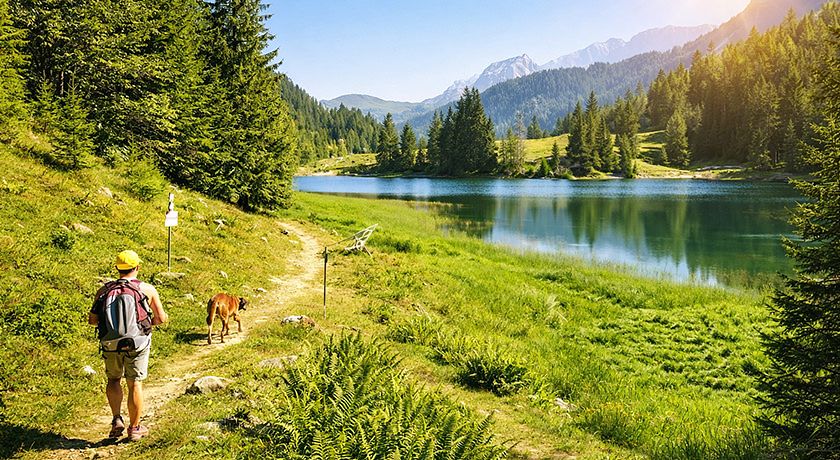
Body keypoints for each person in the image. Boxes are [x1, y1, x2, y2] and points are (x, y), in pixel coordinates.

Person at [89, 250, 168, 442]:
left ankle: (116, 418)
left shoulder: (104, 290)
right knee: (135, 383)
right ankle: (134, 428)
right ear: (137, 267)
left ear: (117, 268)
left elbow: (92, 320)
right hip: (137, 343)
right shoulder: (147, 289)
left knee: (114, 380)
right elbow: (160, 318)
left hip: (110, 343)